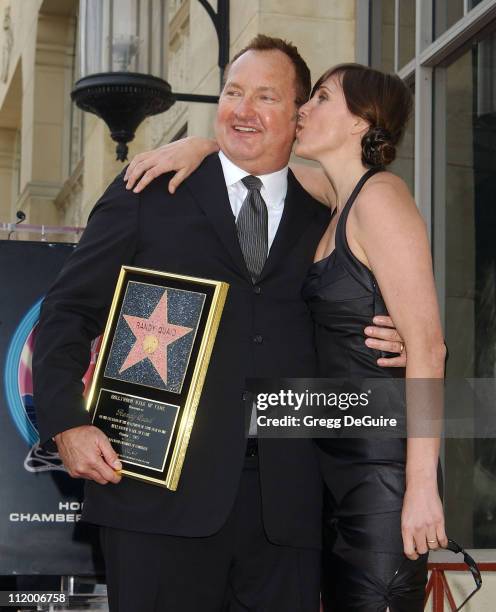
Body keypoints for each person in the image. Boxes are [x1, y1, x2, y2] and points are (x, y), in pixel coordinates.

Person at [33, 36, 407, 612]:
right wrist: (66, 422)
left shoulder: (334, 220)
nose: (241, 109)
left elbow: (370, 313)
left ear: (299, 114)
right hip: (155, 503)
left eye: (264, 96)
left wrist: (397, 338)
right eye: (232, 92)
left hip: (288, 512)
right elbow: (67, 311)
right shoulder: (148, 192)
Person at [124, 64, 448, 611]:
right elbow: (256, 166)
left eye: (321, 98)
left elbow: (430, 347)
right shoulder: (334, 197)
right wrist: (205, 144)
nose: (303, 109)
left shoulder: (383, 198)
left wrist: (420, 488)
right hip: (330, 467)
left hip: (380, 473)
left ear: (360, 122)